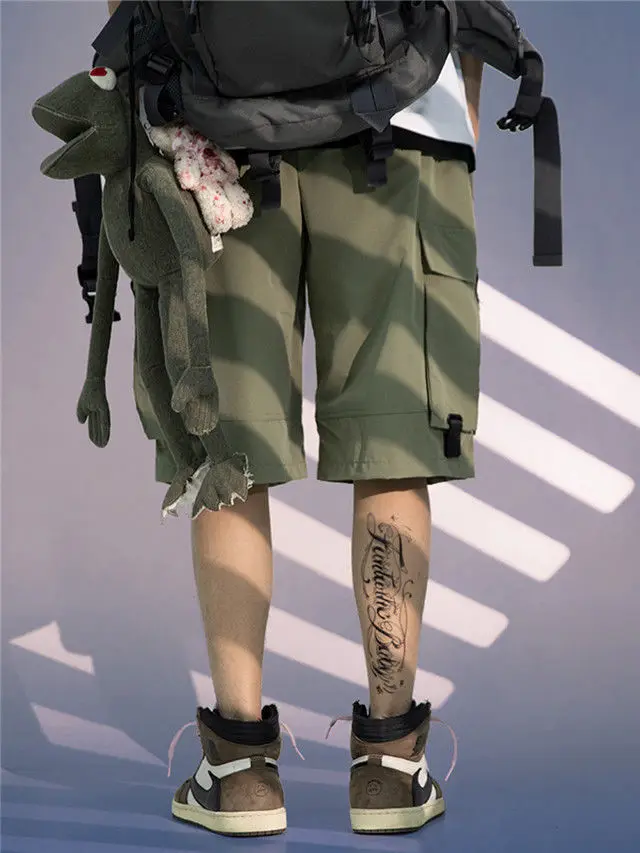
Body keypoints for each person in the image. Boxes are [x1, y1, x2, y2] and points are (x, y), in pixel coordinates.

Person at [109, 0, 482, 838]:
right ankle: (390, 767)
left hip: (209, 126)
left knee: (226, 445)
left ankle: (240, 770)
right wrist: (457, 99)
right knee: (392, 435)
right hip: (403, 114)